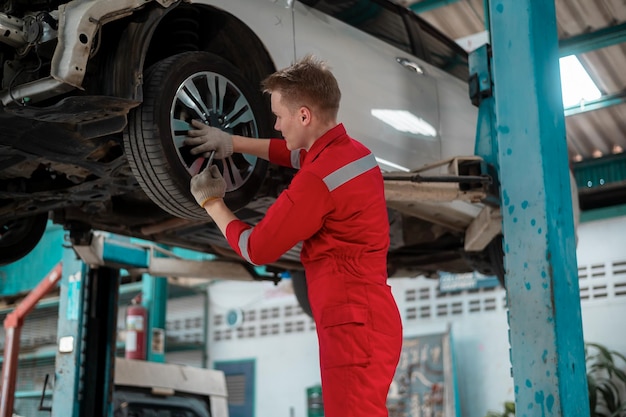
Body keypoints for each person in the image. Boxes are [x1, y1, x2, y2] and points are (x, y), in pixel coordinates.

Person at [185, 55, 403, 417]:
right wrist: (232, 142)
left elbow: (256, 248)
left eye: (278, 116)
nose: (275, 123)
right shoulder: (355, 155)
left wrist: (213, 203)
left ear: (304, 116)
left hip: (352, 326)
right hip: (369, 317)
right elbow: (299, 156)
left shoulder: (316, 182)